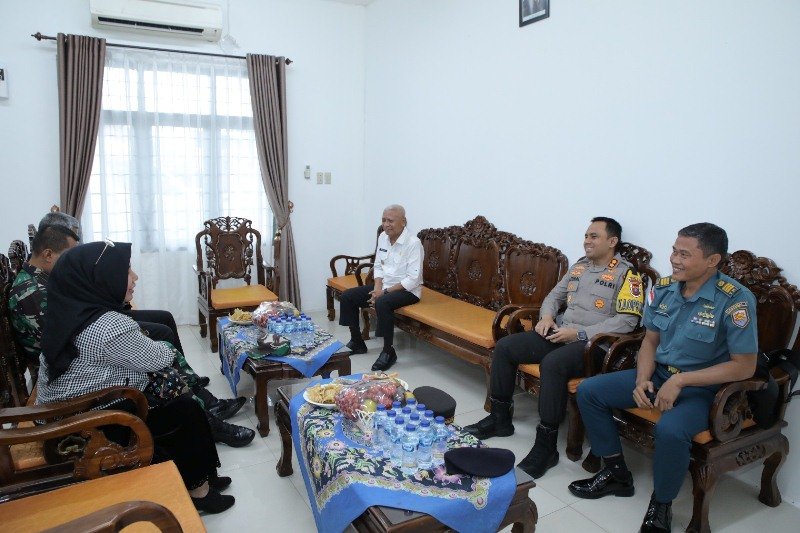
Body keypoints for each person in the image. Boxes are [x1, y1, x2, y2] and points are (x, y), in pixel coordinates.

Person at [568, 223, 758, 533]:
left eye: (685, 254)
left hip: (705, 391)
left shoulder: (735, 300)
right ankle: (616, 474)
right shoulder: (666, 288)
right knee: (589, 391)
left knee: (670, 429)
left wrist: (681, 381)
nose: (674, 259)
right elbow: (650, 341)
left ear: (712, 260)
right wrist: (642, 379)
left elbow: (745, 367)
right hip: (658, 376)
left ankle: (662, 504)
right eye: (674, 251)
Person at [10, 218, 252, 446]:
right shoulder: (33, 294)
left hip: (74, 378)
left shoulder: (50, 287)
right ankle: (205, 416)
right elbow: (97, 340)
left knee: (161, 338)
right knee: (162, 365)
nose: (135, 277)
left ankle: (204, 409)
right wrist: (135, 337)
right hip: (75, 410)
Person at [37, 240, 237, 513]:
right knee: (183, 408)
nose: (135, 277)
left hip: (67, 415)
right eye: (126, 271)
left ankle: (203, 473)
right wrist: (160, 348)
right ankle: (199, 489)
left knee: (171, 390)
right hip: (89, 425)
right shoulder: (108, 326)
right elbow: (160, 357)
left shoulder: (71, 312)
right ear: (103, 279)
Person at [464, 217, 645, 479]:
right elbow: (553, 297)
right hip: (561, 332)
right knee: (505, 347)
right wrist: (547, 317)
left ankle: (546, 446)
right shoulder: (579, 267)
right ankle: (499, 418)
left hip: (593, 344)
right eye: (586, 235)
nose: (587, 241)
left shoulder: (628, 275)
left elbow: (627, 322)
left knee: (553, 364)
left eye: (594, 236)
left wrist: (579, 334)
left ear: (612, 241)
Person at [339, 204, 423, 371]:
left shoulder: (413, 243)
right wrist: (377, 288)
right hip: (384, 286)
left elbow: (413, 279)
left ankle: (388, 351)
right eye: (383, 220)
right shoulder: (383, 237)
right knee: (348, 296)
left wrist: (383, 293)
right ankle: (357, 341)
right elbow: (378, 266)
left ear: (403, 222)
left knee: (382, 302)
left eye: (390, 221)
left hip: (408, 291)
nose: (386, 224)